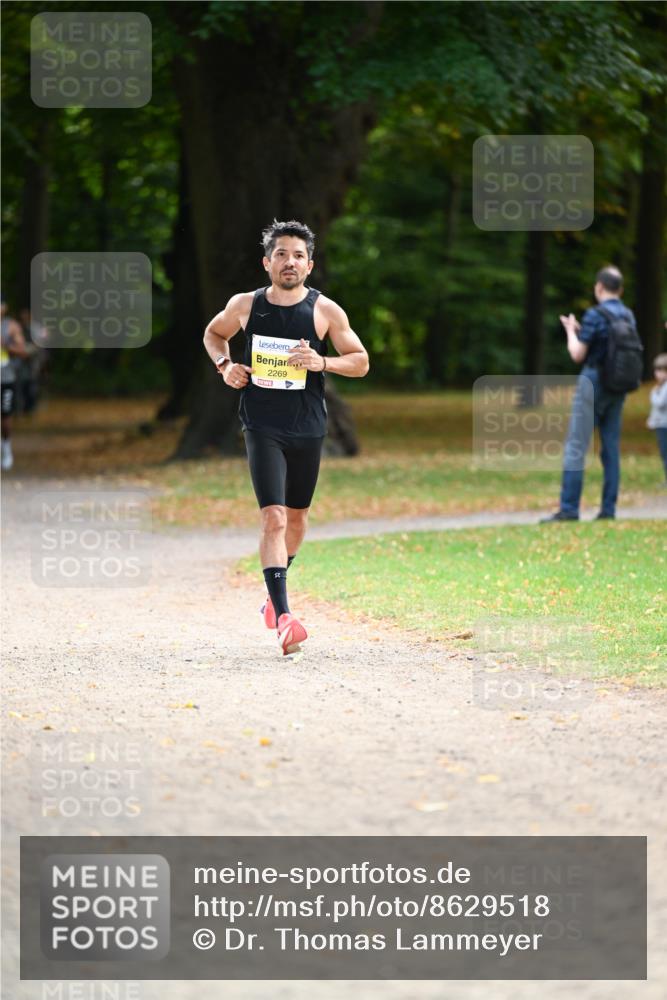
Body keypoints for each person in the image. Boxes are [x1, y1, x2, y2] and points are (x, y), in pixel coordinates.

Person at [203, 220, 369, 654]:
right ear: (267, 262)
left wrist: (322, 363)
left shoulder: (325, 311)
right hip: (261, 425)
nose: (289, 262)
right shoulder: (245, 305)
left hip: (308, 426)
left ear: (309, 265)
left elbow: (361, 361)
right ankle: (284, 617)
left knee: (296, 519)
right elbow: (213, 334)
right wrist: (225, 367)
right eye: (281, 254)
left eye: (298, 255)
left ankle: (273, 595)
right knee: (273, 517)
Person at [541, 266, 636, 522]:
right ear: (621, 290)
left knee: (576, 445)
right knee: (611, 447)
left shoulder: (596, 314)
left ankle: (569, 508)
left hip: (593, 382)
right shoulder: (628, 315)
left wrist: (572, 332)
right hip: (618, 386)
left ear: (599, 287)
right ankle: (608, 509)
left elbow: (577, 354)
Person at [1, 298, 28, 471]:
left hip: (5, 377)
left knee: (5, 417)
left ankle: (7, 449)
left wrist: (6, 346)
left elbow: (23, 351)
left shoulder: (11, 327)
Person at [647, 352, 667, 485]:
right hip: (659, 424)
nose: (658, 374)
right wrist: (651, 420)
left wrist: (653, 393)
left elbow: (659, 403)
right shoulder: (661, 387)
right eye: (657, 370)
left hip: (664, 425)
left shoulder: (664, 388)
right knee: (664, 454)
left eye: (662, 370)